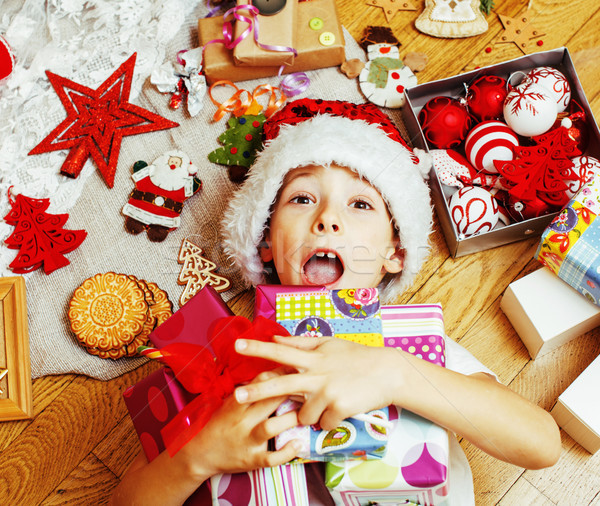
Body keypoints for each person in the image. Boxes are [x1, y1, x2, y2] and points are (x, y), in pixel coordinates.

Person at [111, 99, 560, 505]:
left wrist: (394, 373)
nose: (327, 219)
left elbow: (540, 443)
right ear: (265, 242)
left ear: (394, 254)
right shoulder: (224, 347)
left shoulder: (408, 341)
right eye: (302, 198)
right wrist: (196, 460)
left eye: (361, 204)